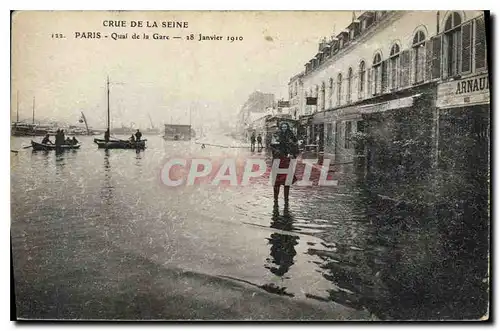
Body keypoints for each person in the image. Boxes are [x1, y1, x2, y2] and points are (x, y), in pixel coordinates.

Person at [270, 121, 299, 205]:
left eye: (285, 127)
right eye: (282, 127)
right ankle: (275, 199)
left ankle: (286, 199)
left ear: (287, 127)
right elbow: (272, 146)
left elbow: (295, 146)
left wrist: (292, 153)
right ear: (280, 127)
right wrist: (277, 151)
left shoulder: (291, 135)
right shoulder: (276, 135)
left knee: (287, 180)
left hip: (287, 160)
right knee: (276, 180)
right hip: (278, 159)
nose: (284, 129)